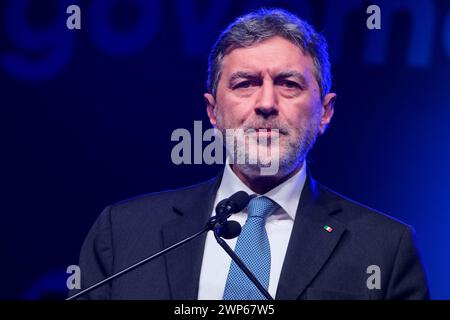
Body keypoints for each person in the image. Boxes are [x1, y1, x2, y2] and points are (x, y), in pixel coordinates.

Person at [70, 8, 429, 300]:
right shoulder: (124, 234)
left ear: (326, 112)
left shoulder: (385, 249)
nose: (267, 104)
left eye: (289, 84)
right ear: (213, 112)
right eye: (246, 84)